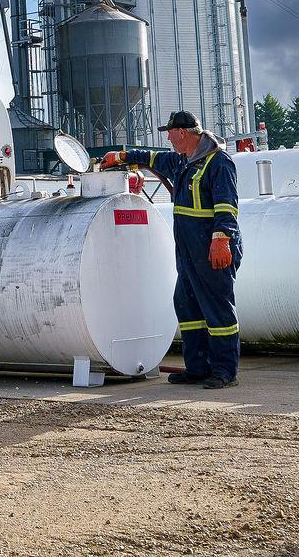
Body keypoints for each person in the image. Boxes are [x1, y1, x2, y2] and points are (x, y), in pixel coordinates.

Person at [103, 110, 241, 389]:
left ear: (183, 133)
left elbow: (227, 205)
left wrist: (222, 239)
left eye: (170, 132)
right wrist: (121, 157)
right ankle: (198, 368)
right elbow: (151, 158)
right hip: (188, 253)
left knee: (217, 310)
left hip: (211, 248)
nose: (167, 137)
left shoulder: (218, 162)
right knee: (187, 305)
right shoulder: (182, 161)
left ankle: (225, 371)